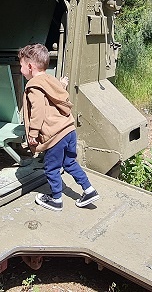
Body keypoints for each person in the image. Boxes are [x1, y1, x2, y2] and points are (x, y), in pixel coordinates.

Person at [18, 43, 99, 211]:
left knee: (51, 167)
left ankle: (56, 199)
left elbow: (38, 110)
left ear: (30, 66)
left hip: (56, 135)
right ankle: (89, 190)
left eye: (21, 66)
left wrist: (33, 133)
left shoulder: (33, 86)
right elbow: (54, 93)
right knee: (69, 162)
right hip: (69, 130)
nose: (20, 70)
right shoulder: (50, 79)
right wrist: (62, 84)